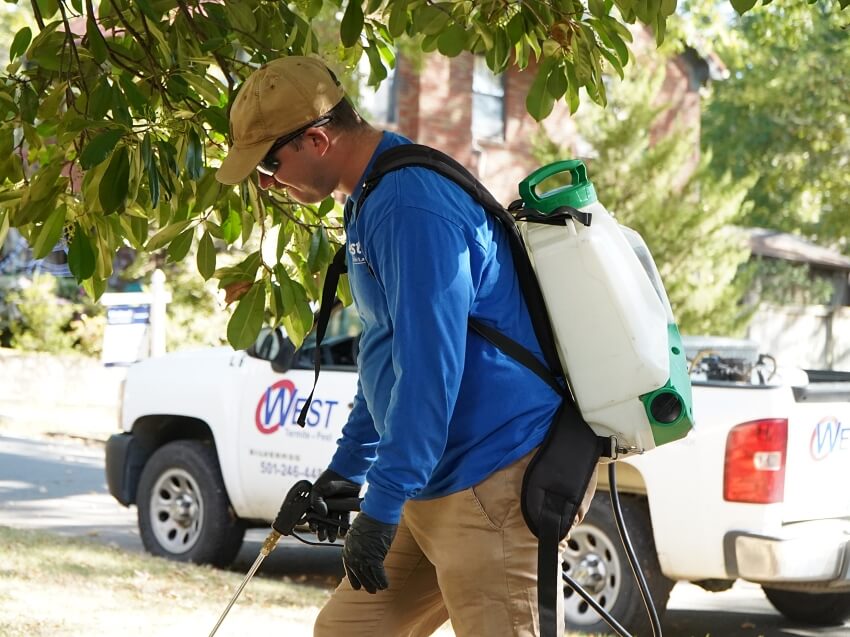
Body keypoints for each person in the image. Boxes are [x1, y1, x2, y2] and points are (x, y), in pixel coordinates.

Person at [216, 56, 596, 637]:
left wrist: (384, 500)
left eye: (270, 162)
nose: (266, 182)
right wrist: (347, 472)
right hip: (433, 480)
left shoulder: (410, 205)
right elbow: (387, 354)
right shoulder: (371, 198)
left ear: (317, 138)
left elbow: (428, 371)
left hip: (495, 480)